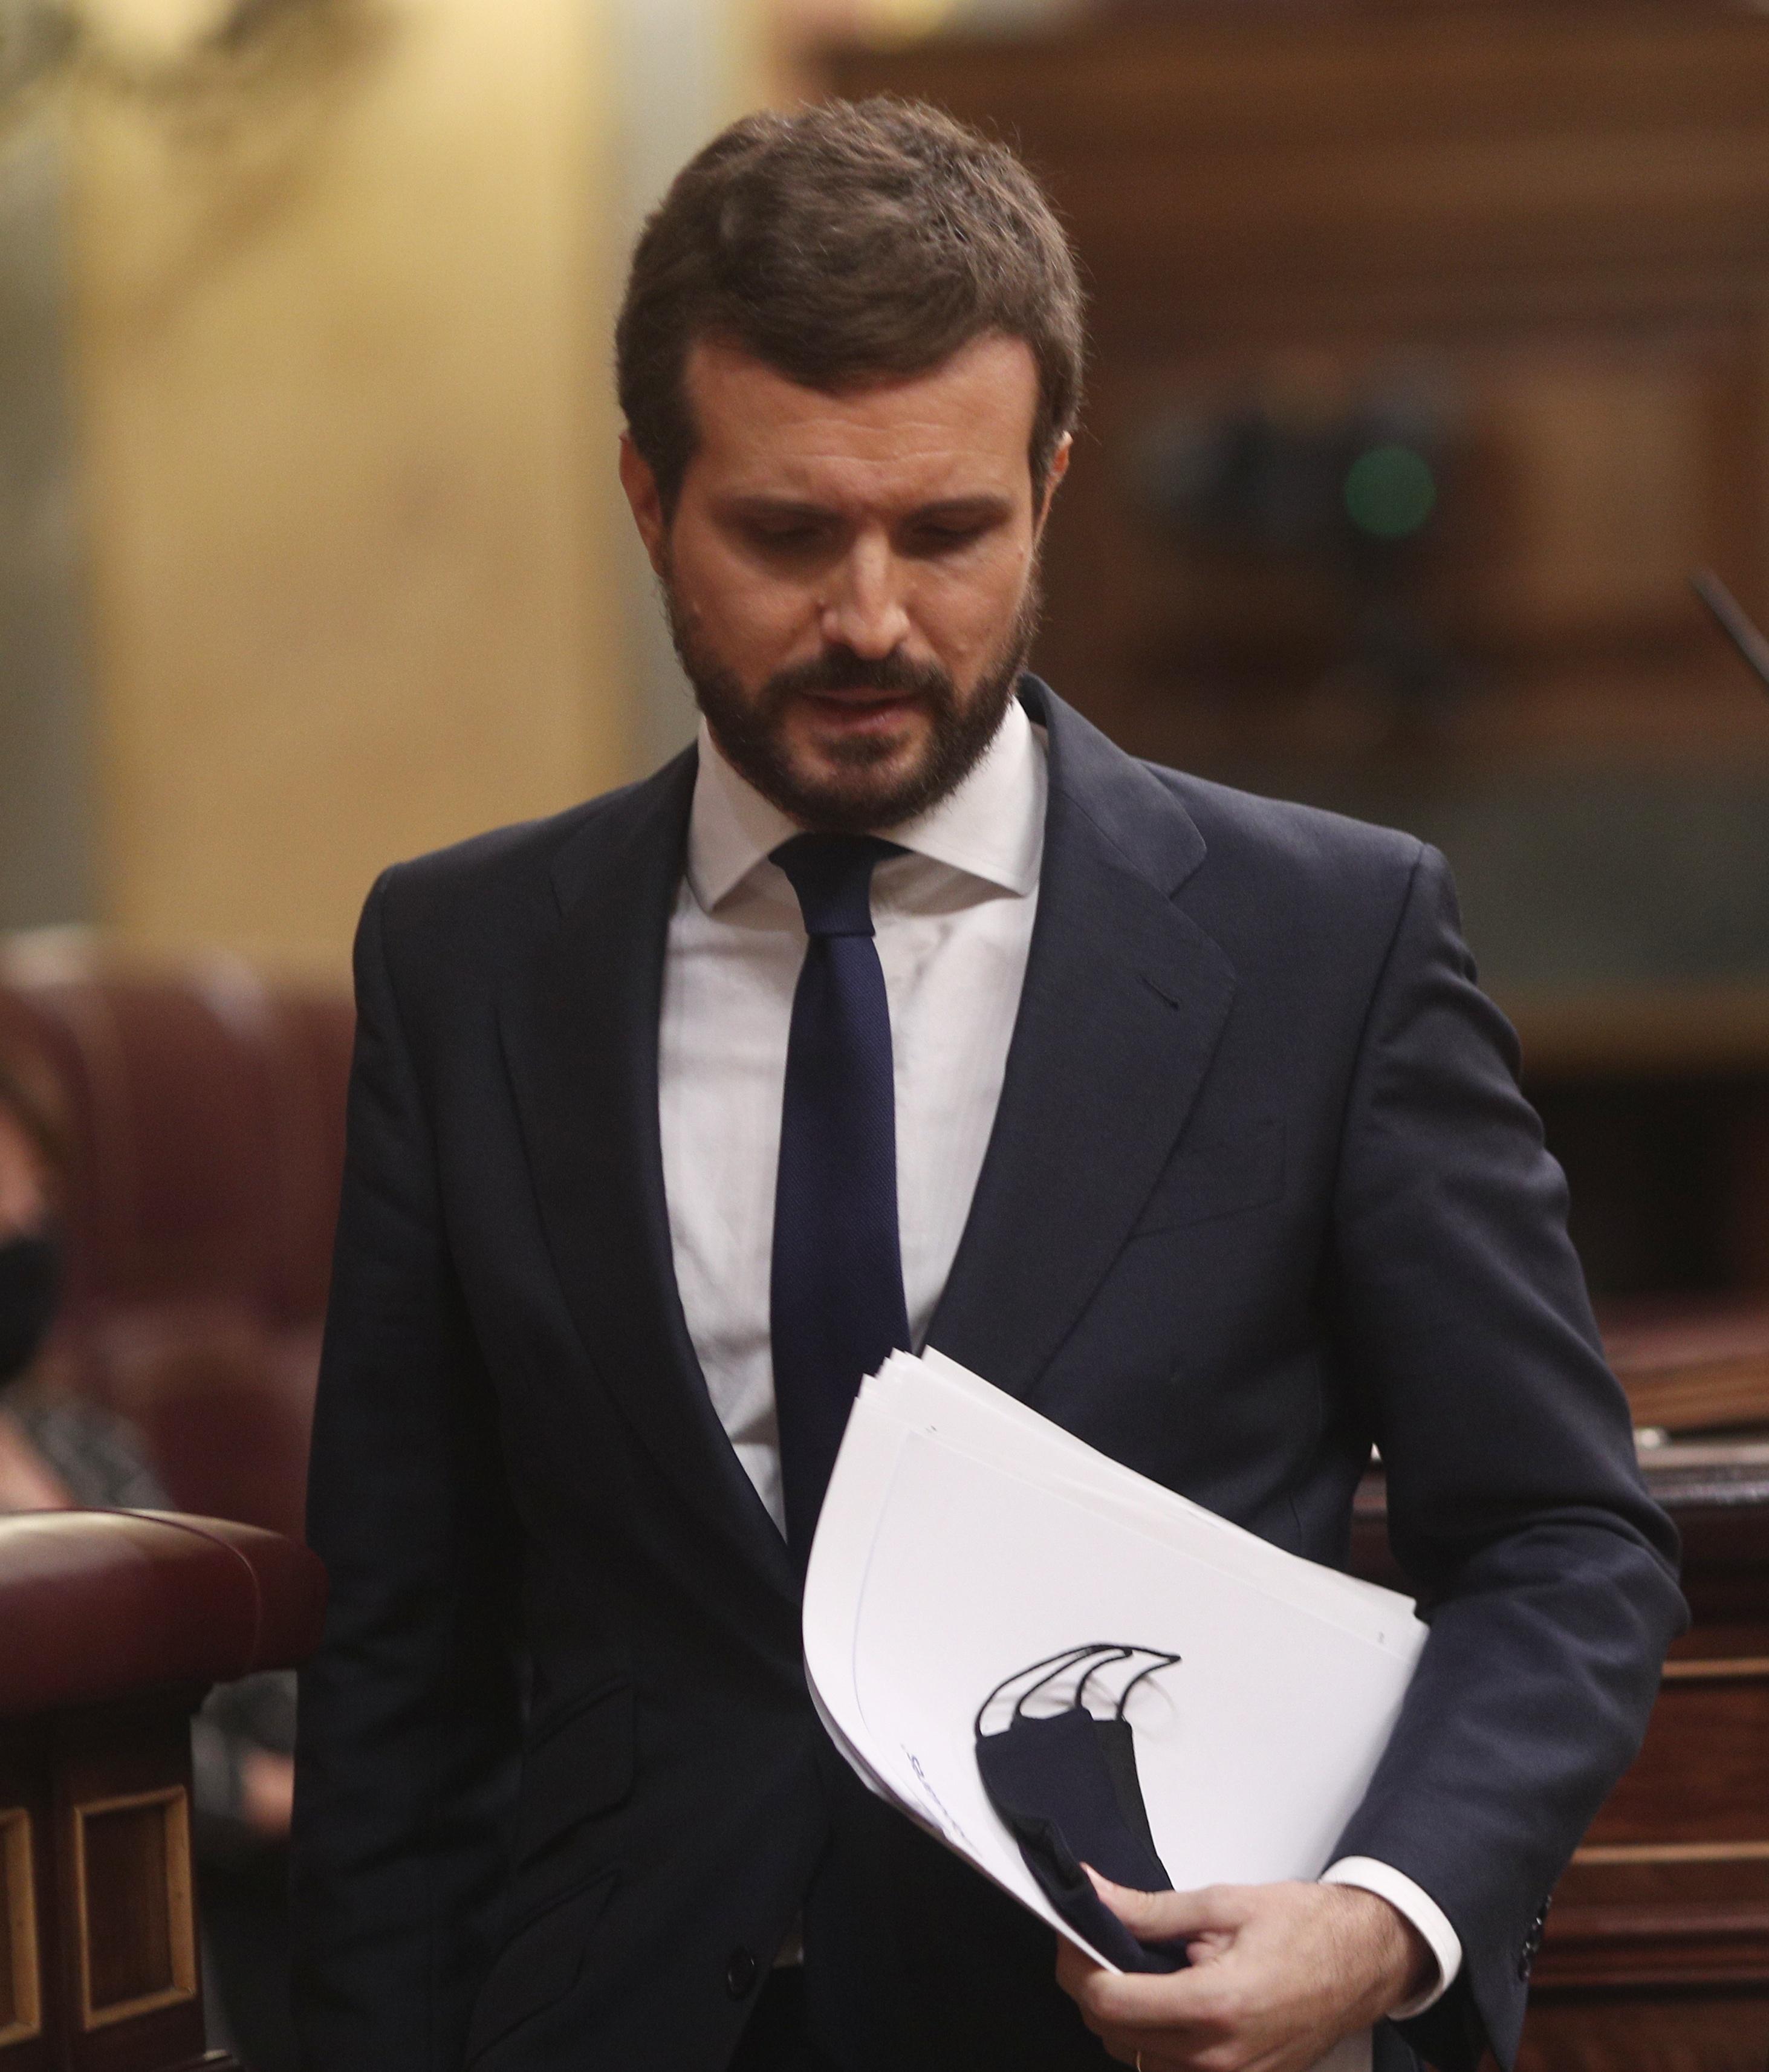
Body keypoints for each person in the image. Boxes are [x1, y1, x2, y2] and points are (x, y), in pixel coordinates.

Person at [290, 99, 1685, 2072]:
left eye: (947, 530)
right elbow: (400, 1656)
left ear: (1049, 483)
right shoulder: (465, 961)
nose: (870, 616)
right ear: (645, 494)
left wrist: (1382, 1919)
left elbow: (1562, 1539)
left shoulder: (1330, 940)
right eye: (788, 531)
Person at [0, 1038, 301, 2067]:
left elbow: (232, 1655)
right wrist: (256, 1798)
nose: (25, 1225)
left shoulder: (84, 1439)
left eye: (37, 1188)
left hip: (224, 1911)